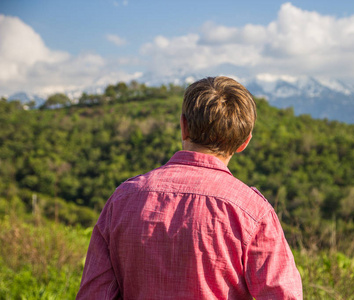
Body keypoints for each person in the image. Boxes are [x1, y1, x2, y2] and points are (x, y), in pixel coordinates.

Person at [76, 76, 303, 299]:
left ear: (183, 126)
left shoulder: (123, 199)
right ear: (245, 142)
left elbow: (94, 293)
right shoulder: (252, 212)